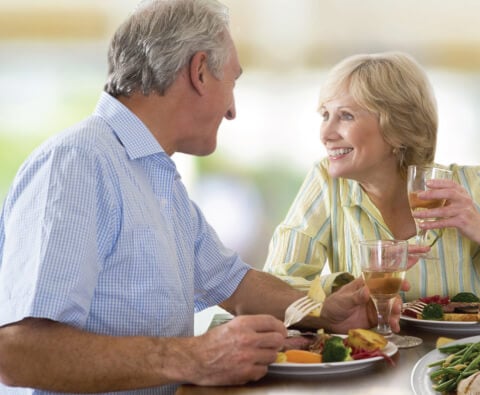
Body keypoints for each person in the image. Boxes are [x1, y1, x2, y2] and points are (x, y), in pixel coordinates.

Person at [0, 1, 400, 394]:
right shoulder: (76, 165)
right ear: (199, 73)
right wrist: (194, 357)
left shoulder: (155, 177)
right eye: (233, 81)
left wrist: (322, 312)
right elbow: (17, 353)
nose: (233, 110)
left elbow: (235, 285)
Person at [262, 52, 480, 315]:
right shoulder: (326, 184)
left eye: (346, 116)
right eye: (325, 115)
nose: (326, 133)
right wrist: (351, 287)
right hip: (372, 375)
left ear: (396, 129)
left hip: (458, 372)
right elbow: (273, 290)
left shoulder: (469, 186)